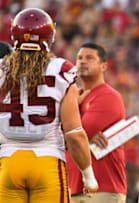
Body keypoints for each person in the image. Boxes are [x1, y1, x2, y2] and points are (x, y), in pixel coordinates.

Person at [0, 8, 98, 203]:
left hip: (7, 163)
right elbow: (74, 134)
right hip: (47, 162)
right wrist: (88, 177)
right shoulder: (61, 70)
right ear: (50, 37)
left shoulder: (1, 69)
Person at [65, 42, 127, 203]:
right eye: (79, 58)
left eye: (90, 58)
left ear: (104, 66)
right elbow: (70, 136)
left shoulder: (109, 96)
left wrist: (77, 136)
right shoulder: (73, 97)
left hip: (103, 188)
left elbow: (77, 134)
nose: (83, 62)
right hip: (72, 187)